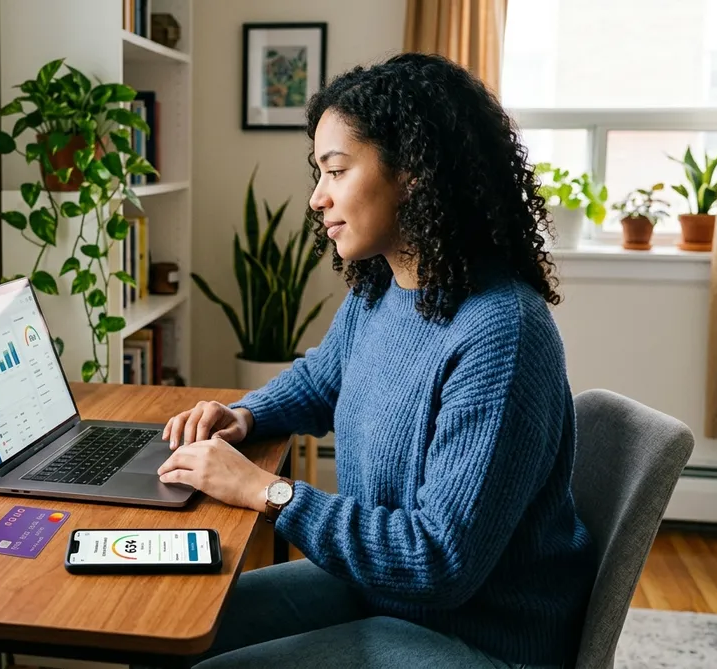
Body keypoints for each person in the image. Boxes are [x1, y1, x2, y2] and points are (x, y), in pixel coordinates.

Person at [157, 53, 595, 668]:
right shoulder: (387, 288)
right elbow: (322, 378)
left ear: (413, 172)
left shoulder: (501, 333)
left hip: (478, 637)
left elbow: (439, 561)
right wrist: (245, 417)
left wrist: (269, 493)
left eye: (336, 171)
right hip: (384, 593)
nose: (317, 198)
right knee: (168, 628)